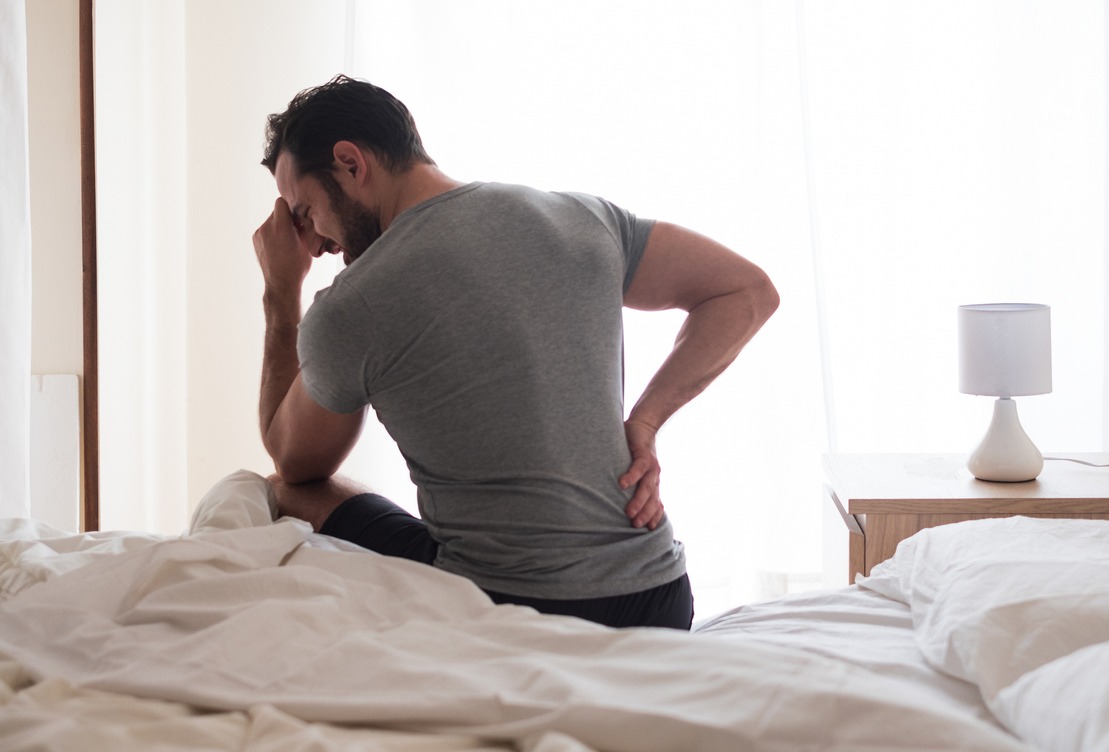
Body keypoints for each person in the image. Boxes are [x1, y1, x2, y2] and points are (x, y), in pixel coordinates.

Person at [252, 75, 778, 630]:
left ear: (350, 163)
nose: (314, 243)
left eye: (304, 212)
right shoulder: (582, 218)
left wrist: (281, 292)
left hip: (513, 604)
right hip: (660, 598)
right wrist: (644, 422)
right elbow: (746, 292)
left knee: (287, 491)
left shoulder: (352, 305)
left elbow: (295, 462)